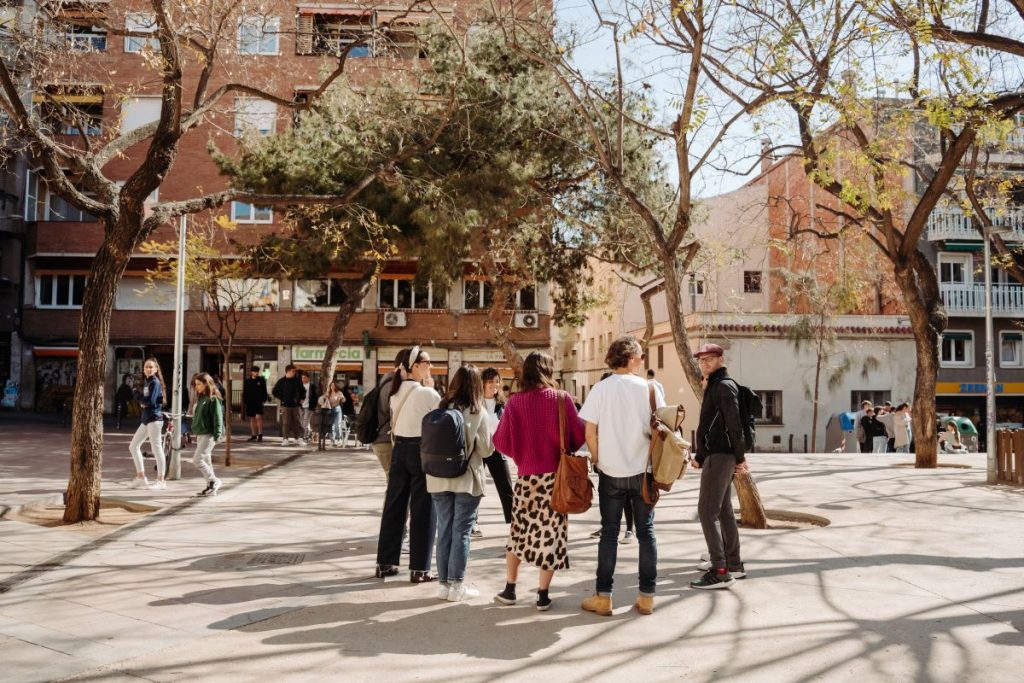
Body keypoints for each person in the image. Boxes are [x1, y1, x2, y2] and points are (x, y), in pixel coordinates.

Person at [493, 351, 585, 612]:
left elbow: (500, 441)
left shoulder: (514, 403)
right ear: (549, 370)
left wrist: (522, 454)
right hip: (556, 480)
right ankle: (542, 595)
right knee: (551, 536)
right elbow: (578, 437)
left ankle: (510, 589)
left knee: (519, 534)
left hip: (526, 480)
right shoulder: (562, 399)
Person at [579, 336, 664, 616]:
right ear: (629, 358)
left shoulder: (600, 389)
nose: (642, 360)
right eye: (640, 356)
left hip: (610, 473)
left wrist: (597, 457)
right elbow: (663, 432)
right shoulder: (651, 390)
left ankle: (603, 597)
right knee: (646, 534)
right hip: (643, 473)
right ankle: (646, 597)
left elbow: (589, 431)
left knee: (609, 534)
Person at [375, 346, 441, 582]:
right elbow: (441, 422)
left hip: (399, 449)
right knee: (424, 508)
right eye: (427, 362)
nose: (430, 366)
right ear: (414, 366)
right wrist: (432, 390)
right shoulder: (428, 394)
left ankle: (385, 563)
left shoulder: (396, 391)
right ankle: (420, 568)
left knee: (394, 506)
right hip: (420, 451)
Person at [428, 365, 493, 601]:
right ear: (476, 385)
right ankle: (457, 586)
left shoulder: (441, 408)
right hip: (466, 479)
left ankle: (444, 585)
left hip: (437, 478)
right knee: (461, 532)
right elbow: (486, 450)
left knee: (443, 531)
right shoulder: (478, 412)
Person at [690, 343, 747, 590]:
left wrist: (740, 457)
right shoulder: (714, 385)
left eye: (710, 359)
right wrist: (701, 456)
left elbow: (733, 425)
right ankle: (733, 563)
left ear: (720, 360)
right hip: (716, 454)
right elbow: (710, 424)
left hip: (720, 455)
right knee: (723, 510)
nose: (705, 363)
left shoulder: (723, 386)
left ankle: (720, 570)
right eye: (701, 360)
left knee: (706, 512)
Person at [588, 370, 636, 545]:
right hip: (605, 458)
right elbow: (593, 430)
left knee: (627, 496)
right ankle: (606, 526)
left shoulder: (626, 405)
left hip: (626, 459)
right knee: (605, 495)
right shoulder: (601, 404)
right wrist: (595, 455)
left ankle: (630, 529)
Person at [480, 367, 514, 531]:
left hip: (497, 450)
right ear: (483, 383)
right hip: (478, 451)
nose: (494, 384)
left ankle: (514, 525)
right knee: (475, 489)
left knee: (506, 487)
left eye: (497, 381)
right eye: (490, 381)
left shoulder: (502, 405)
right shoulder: (475, 402)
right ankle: (473, 523)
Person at [127, 358, 167, 490]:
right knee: (133, 446)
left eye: (151, 367)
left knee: (157, 449)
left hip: (154, 419)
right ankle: (141, 478)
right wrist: (140, 399)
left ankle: (161, 481)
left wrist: (136, 396)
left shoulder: (154, 382)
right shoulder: (147, 382)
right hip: (146, 419)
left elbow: (149, 402)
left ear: (156, 369)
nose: (148, 369)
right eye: (146, 367)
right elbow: (145, 401)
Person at [190, 372, 224, 497]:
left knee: (197, 459)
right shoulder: (201, 398)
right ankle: (211, 486)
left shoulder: (213, 398)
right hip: (201, 433)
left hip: (209, 434)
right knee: (206, 460)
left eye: (199, 384)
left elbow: (218, 417)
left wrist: (217, 435)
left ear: (206, 384)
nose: (196, 387)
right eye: (195, 384)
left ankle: (214, 481)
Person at [272, 364, 306, 445]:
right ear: (288, 371)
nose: (294, 373)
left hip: (296, 405)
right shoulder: (281, 381)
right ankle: (285, 439)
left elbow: (303, 391)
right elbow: (274, 392)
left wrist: (302, 399)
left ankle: (298, 438)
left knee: (297, 422)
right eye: (293, 371)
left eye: (295, 371)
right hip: (285, 406)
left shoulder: (297, 380)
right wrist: (282, 398)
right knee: (286, 423)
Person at [242, 366, 268, 442]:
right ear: (251, 372)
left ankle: (260, 434)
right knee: (252, 418)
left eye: (257, 371)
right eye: (255, 371)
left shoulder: (261, 380)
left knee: (258, 417)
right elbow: (245, 392)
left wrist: (263, 400)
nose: (256, 373)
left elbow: (264, 391)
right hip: (250, 402)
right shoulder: (247, 381)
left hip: (259, 402)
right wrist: (245, 401)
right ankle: (253, 435)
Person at [321, 381, 345, 447]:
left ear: (336, 386)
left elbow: (344, 400)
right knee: (331, 426)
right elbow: (323, 399)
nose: (332, 387)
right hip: (330, 410)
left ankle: (339, 439)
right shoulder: (328, 393)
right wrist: (325, 396)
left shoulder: (339, 392)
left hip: (337, 409)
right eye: (331, 386)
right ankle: (332, 440)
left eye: (333, 385)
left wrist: (342, 398)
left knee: (338, 425)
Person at [299, 372, 319, 442]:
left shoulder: (312, 386)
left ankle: (305, 436)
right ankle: (309, 432)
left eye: (304, 378)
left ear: (308, 378)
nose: (303, 379)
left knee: (305, 422)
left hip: (309, 406)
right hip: (301, 406)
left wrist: (314, 406)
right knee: (302, 422)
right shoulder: (300, 385)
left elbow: (315, 396)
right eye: (302, 378)